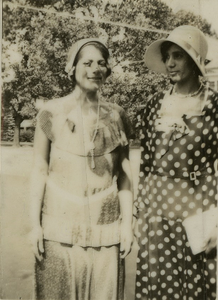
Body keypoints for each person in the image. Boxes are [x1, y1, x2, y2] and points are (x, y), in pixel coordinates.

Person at [29, 38, 133, 300]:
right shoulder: (50, 113)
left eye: (101, 63)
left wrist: (127, 225)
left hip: (106, 231)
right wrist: (34, 225)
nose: (95, 69)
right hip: (58, 231)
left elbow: (124, 176)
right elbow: (39, 170)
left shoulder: (118, 115)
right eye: (87, 63)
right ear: (72, 68)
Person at [134, 25, 218, 300]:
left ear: (194, 61)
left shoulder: (214, 105)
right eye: (167, 56)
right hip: (157, 212)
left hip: (200, 210)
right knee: (160, 284)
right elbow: (145, 164)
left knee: (197, 285)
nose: (170, 63)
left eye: (178, 56)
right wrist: (140, 211)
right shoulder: (153, 104)